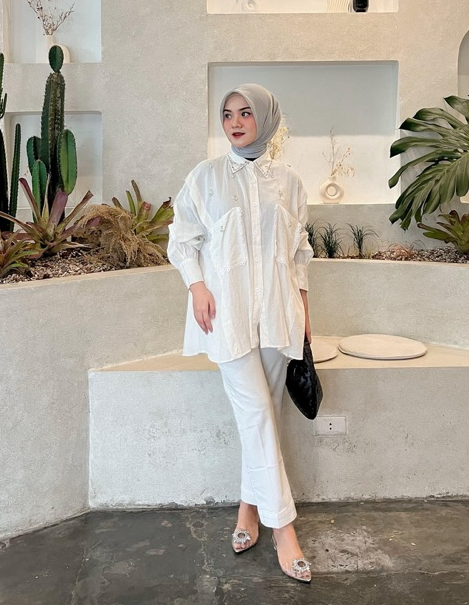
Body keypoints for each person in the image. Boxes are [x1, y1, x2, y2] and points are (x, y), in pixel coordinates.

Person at [167, 84, 314, 584]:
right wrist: (196, 286)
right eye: (228, 114)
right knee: (255, 413)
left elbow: (299, 254)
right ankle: (284, 530)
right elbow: (182, 239)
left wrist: (304, 313)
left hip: (277, 314)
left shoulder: (289, 182)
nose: (235, 122)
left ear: (265, 119)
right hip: (225, 315)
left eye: (246, 113)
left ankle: (248, 509)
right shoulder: (205, 177)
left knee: (265, 414)